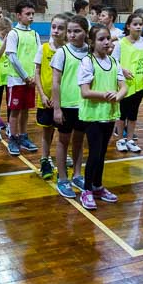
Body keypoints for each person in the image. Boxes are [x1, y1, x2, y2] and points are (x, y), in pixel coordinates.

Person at [78, 24, 127, 209]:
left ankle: (98, 186)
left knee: (102, 152)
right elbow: (85, 92)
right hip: (93, 116)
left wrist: (119, 95)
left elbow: (123, 86)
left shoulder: (113, 62)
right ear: (91, 42)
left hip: (109, 114)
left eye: (108, 38)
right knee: (94, 153)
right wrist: (106, 95)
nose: (106, 42)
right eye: (101, 39)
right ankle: (87, 190)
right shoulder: (87, 62)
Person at [51, 15, 90, 198]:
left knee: (79, 141)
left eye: (77, 31)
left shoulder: (90, 52)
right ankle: (62, 178)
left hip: (84, 104)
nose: (72, 35)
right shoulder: (62, 53)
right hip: (66, 105)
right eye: (70, 31)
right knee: (63, 141)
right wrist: (57, 108)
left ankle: (77, 174)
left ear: (86, 32)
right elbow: (56, 82)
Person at [35, 13, 69, 180]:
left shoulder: (68, 50)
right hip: (46, 100)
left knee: (64, 132)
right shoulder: (43, 48)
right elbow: (37, 73)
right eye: (53, 27)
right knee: (47, 131)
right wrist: (42, 95)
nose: (56, 31)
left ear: (67, 31)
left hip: (64, 100)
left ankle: (63, 157)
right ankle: (45, 159)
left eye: (60, 28)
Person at [113, 12, 143, 153]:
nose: (138, 27)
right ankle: (120, 139)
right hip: (124, 85)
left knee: (133, 113)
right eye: (135, 24)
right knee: (122, 113)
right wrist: (122, 70)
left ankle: (130, 139)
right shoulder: (120, 43)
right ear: (128, 26)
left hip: (139, 84)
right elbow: (114, 61)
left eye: (140, 24)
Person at [5, 0, 41, 156]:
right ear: (18, 15)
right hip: (16, 80)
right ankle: (13, 138)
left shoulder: (35, 34)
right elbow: (12, 58)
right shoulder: (13, 34)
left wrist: (34, 77)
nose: (31, 17)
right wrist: (26, 76)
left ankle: (23, 136)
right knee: (15, 111)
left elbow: (38, 56)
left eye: (32, 14)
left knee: (26, 110)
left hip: (31, 80)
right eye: (28, 14)